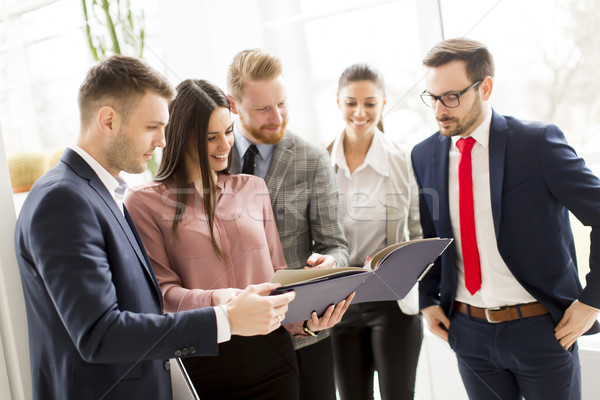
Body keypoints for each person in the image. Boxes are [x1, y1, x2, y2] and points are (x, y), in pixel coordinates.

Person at [13, 55, 296, 400]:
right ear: (108, 120)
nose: (163, 141)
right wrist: (226, 319)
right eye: (152, 127)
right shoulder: (62, 200)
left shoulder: (96, 193)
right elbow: (99, 333)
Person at [125, 79, 352, 399]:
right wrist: (225, 301)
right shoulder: (142, 201)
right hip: (202, 359)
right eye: (211, 137)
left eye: (228, 131)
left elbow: (278, 280)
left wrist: (309, 322)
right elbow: (161, 295)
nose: (225, 145)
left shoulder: (252, 188)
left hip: (273, 357)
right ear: (180, 138)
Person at [411, 37, 600, 400]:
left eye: (452, 97)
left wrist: (592, 301)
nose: (439, 111)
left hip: (541, 332)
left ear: (485, 87)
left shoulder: (537, 143)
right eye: (432, 97)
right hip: (468, 335)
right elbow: (432, 234)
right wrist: (428, 298)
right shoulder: (424, 155)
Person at [226, 48, 350, 400]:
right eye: (263, 108)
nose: (277, 116)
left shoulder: (312, 160)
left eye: (282, 104)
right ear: (234, 105)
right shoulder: (210, 155)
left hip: (303, 337)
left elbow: (335, 245)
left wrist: (332, 264)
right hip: (232, 339)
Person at [327, 64, 423, 400]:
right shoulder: (320, 163)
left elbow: (415, 231)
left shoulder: (404, 160)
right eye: (351, 102)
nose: (360, 112)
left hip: (391, 302)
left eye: (370, 103)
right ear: (338, 102)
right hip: (338, 305)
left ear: (383, 104)